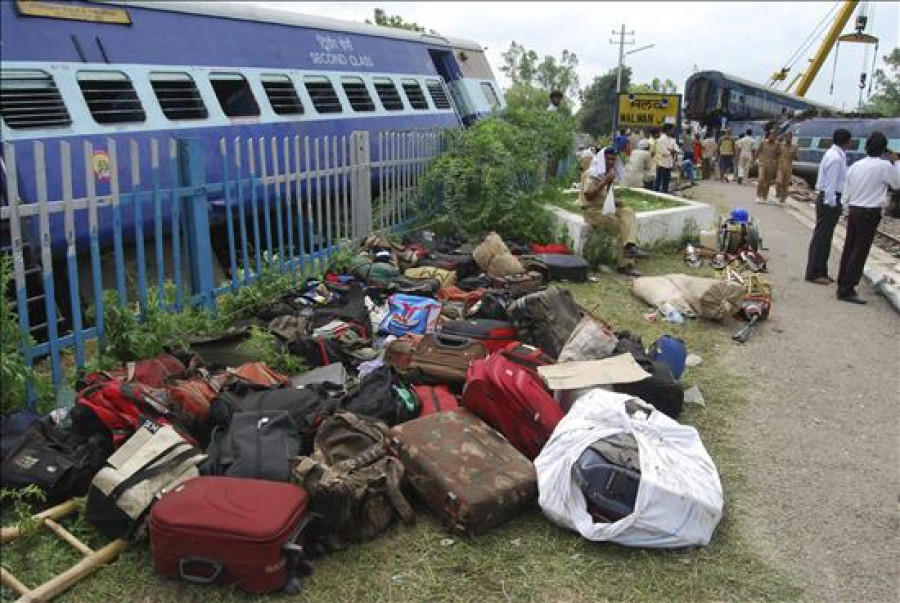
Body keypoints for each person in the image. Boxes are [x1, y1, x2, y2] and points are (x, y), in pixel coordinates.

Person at [835, 131, 900, 304]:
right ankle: (847, 289)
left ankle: (842, 282)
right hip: (869, 213)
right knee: (860, 251)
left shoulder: (856, 165)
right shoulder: (885, 166)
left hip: (854, 210)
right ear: (883, 150)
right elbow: (897, 184)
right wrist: (897, 162)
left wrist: (846, 207)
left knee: (849, 248)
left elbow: (847, 191)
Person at [579, 147, 649, 277]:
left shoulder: (608, 172)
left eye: (613, 159)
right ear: (601, 159)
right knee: (619, 226)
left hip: (605, 208)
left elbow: (604, 194)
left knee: (628, 212)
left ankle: (630, 246)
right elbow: (589, 195)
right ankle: (625, 265)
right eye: (608, 159)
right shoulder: (592, 173)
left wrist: (614, 201)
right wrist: (606, 180)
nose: (611, 162)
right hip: (592, 211)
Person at [805, 128, 852, 285]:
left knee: (824, 237)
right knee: (822, 238)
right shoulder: (836, 158)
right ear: (847, 141)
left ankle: (821, 270)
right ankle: (814, 273)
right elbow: (831, 183)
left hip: (828, 199)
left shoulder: (834, 154)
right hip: (829, 200)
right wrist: (832, 202)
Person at [754, 130, 780, 203]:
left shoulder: (777, 144)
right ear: (768, 135)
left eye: (774, 135)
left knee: (767, 182)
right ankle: (758, 195)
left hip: (771, 165)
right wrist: (753, 160)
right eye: (771, 134)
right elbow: (758, 151)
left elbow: (778, 155)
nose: (773, 136)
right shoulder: (763, 142)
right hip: (762, 164)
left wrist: (777, 165)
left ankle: (764, 196)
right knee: (761, 179)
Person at [775, 131, 798, 204]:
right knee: (778, 182)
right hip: (780, 167)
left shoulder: (795, 147)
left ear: (791, 137)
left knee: (785, 183)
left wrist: (795, 156)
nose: (788, 138)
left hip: (788, 167)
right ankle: (778, 193)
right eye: (787, 136)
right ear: (785, 137)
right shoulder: (780, 145)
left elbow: (796, 157)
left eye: (790, 137)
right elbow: (776, 154)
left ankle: (783, 198)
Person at [653, 124, 676, 193]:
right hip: (662, 163)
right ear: (667, 130)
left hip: (668, 163)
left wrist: (671, 150)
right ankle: (656, 193)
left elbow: (676, 148)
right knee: (659, 180)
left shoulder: (671, 139)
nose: (673, 131)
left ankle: (664, 193)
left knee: (666, 180)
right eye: (672, 129)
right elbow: (664, 152)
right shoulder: (661, 139)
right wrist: (671, 151)